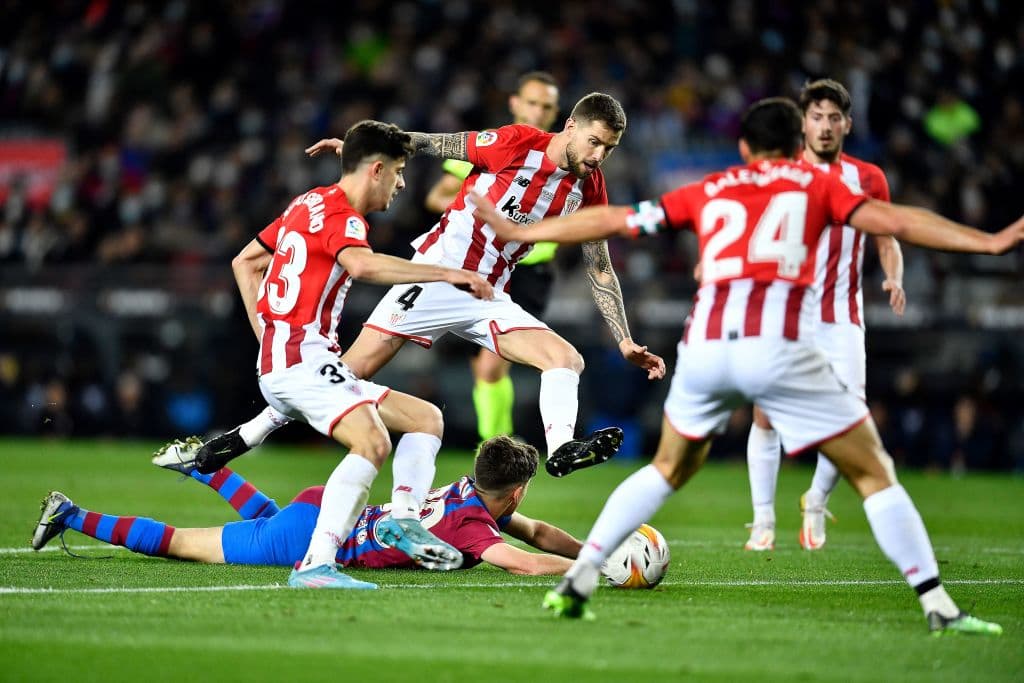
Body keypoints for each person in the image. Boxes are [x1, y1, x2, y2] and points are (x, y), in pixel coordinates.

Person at [472, 97, 1019, 634]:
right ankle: (938, 604)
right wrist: (990, 243)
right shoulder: (820, 184)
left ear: (742, 146)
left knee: (666, 469)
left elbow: (613, 220)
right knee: (874, 474)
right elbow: (897, 220)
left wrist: (522, 232)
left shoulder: (711, 188)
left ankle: (578, 581)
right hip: (778, 346)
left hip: (706, 349)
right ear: (796, 145)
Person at [215, 92, 667, 481]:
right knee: (347, 374)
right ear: (570, 127)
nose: (597, 156)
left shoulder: (590, 188)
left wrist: (625, 340)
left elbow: (600, 266)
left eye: (608, 149)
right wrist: (361, 149)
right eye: (593, 143)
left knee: (566, 358)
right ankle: (245, 434)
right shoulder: (515, 143)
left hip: (488, 294)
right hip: (437, 273)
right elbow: (432, 143)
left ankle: (561, 449)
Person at [220, 120, 494, 589]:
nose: (402, 183)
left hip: (303, 361)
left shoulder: (307, 201)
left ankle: (402, 518)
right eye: (400, 171)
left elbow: (244, 262)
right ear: (378, 170)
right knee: (372, 443)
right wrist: (445, 274)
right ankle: (316, 565)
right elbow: (362, 264)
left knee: (425, 418)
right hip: (302, 364)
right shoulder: (346, 217)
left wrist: (266, 334)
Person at [31, 436, 591, 577]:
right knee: (182, 543)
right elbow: (520, 560)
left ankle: (207, 466)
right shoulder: (473, 526)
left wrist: (596, 549)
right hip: (309, 539)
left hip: (321, 507)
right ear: (515, 489)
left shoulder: (467, 496)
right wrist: (588, 570)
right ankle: (70, 515)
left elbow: (536, 533)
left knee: (268, 517)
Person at [744, 79, 906, 552]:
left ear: (847, 125)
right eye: (817, 116)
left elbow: (887, 237)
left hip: (842, 316)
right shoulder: (781, 171)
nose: (826, 126)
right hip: (788, 311)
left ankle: (815, 499)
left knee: (850, 417)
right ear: (803, 123)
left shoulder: (869, 178)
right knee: (766, 414)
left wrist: (894, 276)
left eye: (834, 118)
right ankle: (762, 521)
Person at [423, 71, 563, 443]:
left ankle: (497, 448)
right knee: (485, 370)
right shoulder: (491, 145)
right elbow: (438, 196)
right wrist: (485, 211)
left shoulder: (564, 161)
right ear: (514, 103)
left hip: (529, 271)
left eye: (547, 106)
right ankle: (497, 448)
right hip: (477, 264)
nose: (538, 111)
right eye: (532, 102)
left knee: (491, 365)